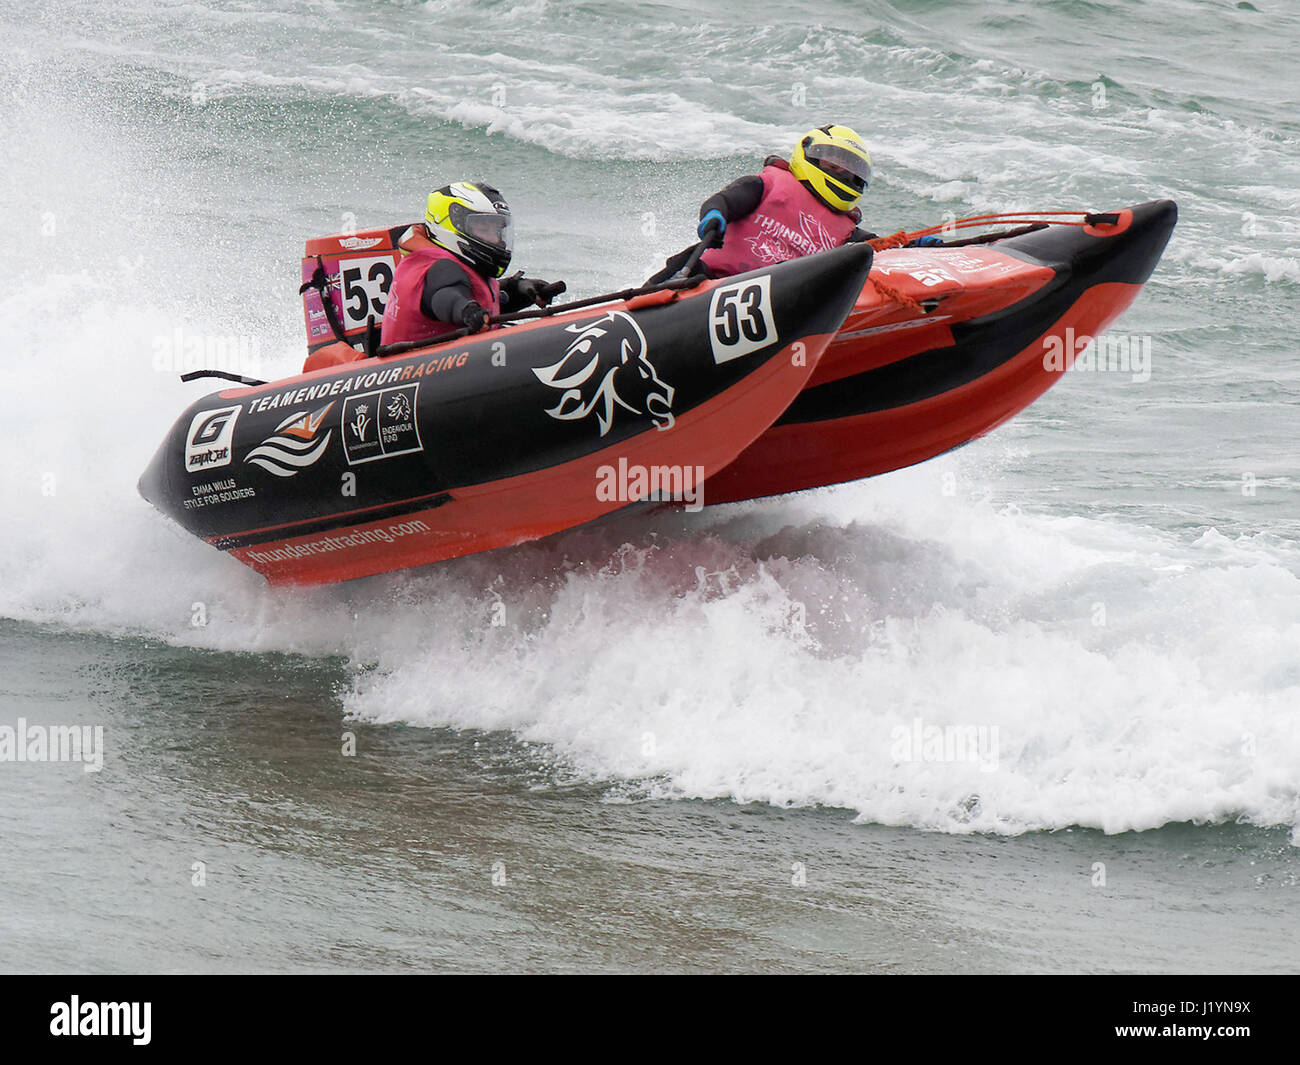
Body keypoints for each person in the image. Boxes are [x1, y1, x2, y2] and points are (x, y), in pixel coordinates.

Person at [648, 124, 941, 283]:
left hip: (778, 297)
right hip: (709, 281)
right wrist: (713, 217)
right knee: (685, 264)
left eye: (852, 171)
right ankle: (626, 311)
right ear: (807, 154)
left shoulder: (845, 230)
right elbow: (723, 201)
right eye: (835, 163)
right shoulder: (768, 185)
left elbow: (880, 248)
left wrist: (918, 245)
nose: (843, 173)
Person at [381, 181, 565, 346]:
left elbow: (478, 301)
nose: (495, 239)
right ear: (450, 224)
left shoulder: (451, 265)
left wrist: (518, 291)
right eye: (484, 229)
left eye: (497, 231)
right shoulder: (442, 268)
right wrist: (466, 310)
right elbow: (444, 298)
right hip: (422, 370)